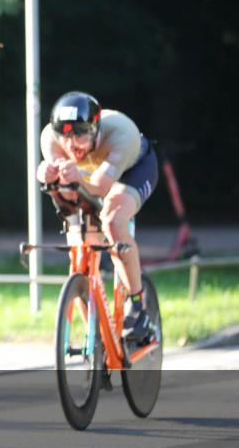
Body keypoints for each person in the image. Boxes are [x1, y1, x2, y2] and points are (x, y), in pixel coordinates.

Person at [36, 92, 159, 342]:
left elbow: (101, 188)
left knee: (113, 220)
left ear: (96, 127)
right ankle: (96, 335)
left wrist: (77, 178)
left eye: (81, 134)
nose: (72, 145)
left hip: (132, 171)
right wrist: (45, 174)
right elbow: (63, 189)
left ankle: (137, 306)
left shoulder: (121, 133)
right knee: (79, 245)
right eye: (66, 136)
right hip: (88, 176)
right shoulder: (50, 137)